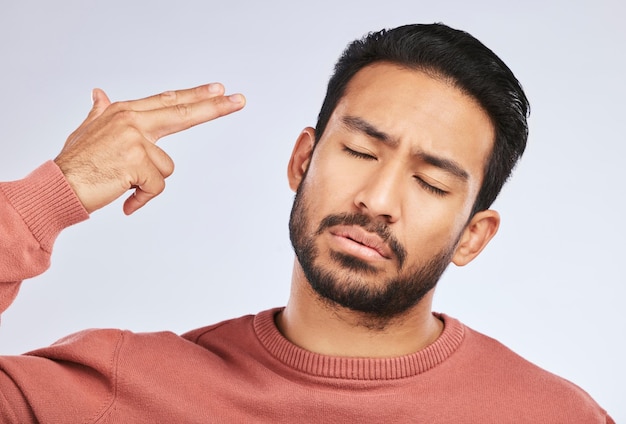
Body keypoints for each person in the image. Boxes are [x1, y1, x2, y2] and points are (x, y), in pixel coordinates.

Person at [0, 23, 613, 423]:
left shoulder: (553, 416)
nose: (378, 199)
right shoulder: (119, 389)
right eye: (360, 152)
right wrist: (50, 197)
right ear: (302, 161)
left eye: (430, 182)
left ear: (473, 237)